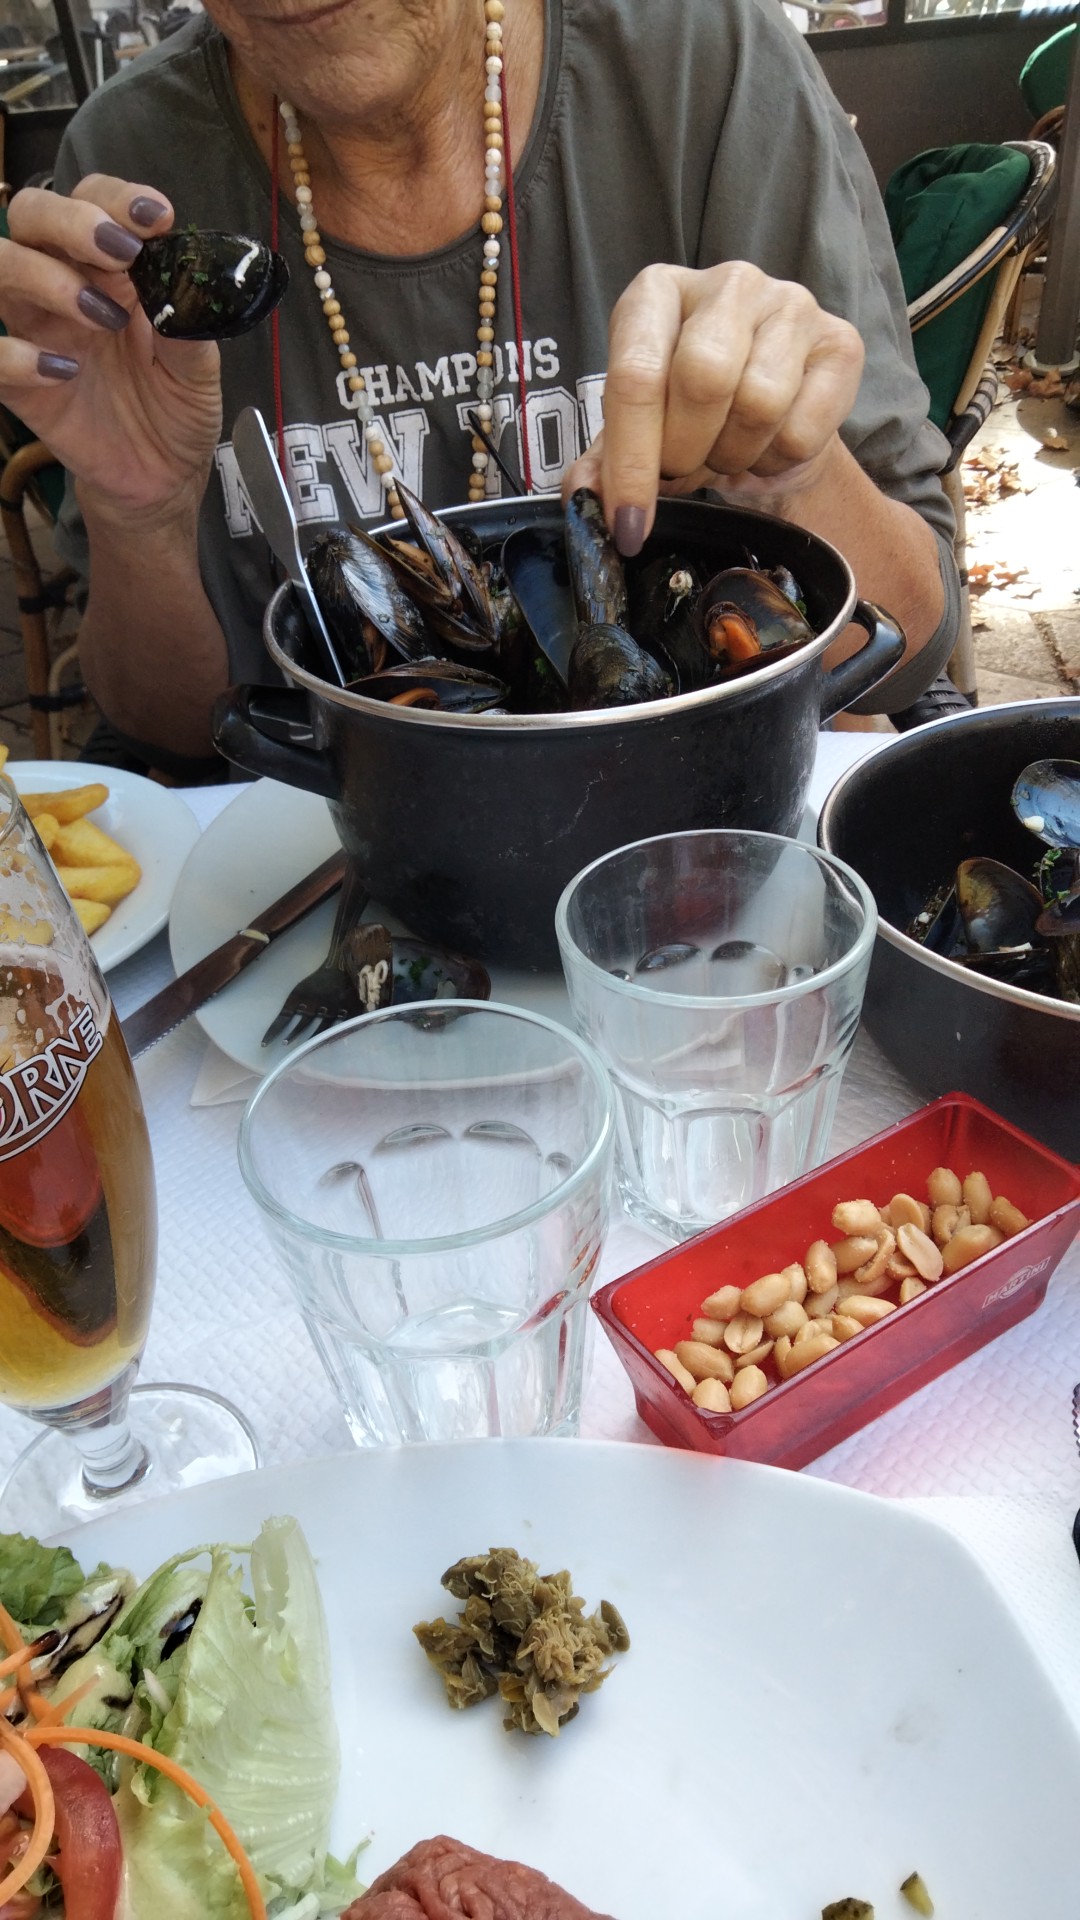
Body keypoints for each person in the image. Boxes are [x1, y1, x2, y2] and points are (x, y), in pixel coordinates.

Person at [0, 0, 961, 765]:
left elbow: (910, 645)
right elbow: (174, 730)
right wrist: (139, 516)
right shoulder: (134, 158)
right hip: (350, 842)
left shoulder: (703, 62)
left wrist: (791, 473)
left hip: (702, 824)